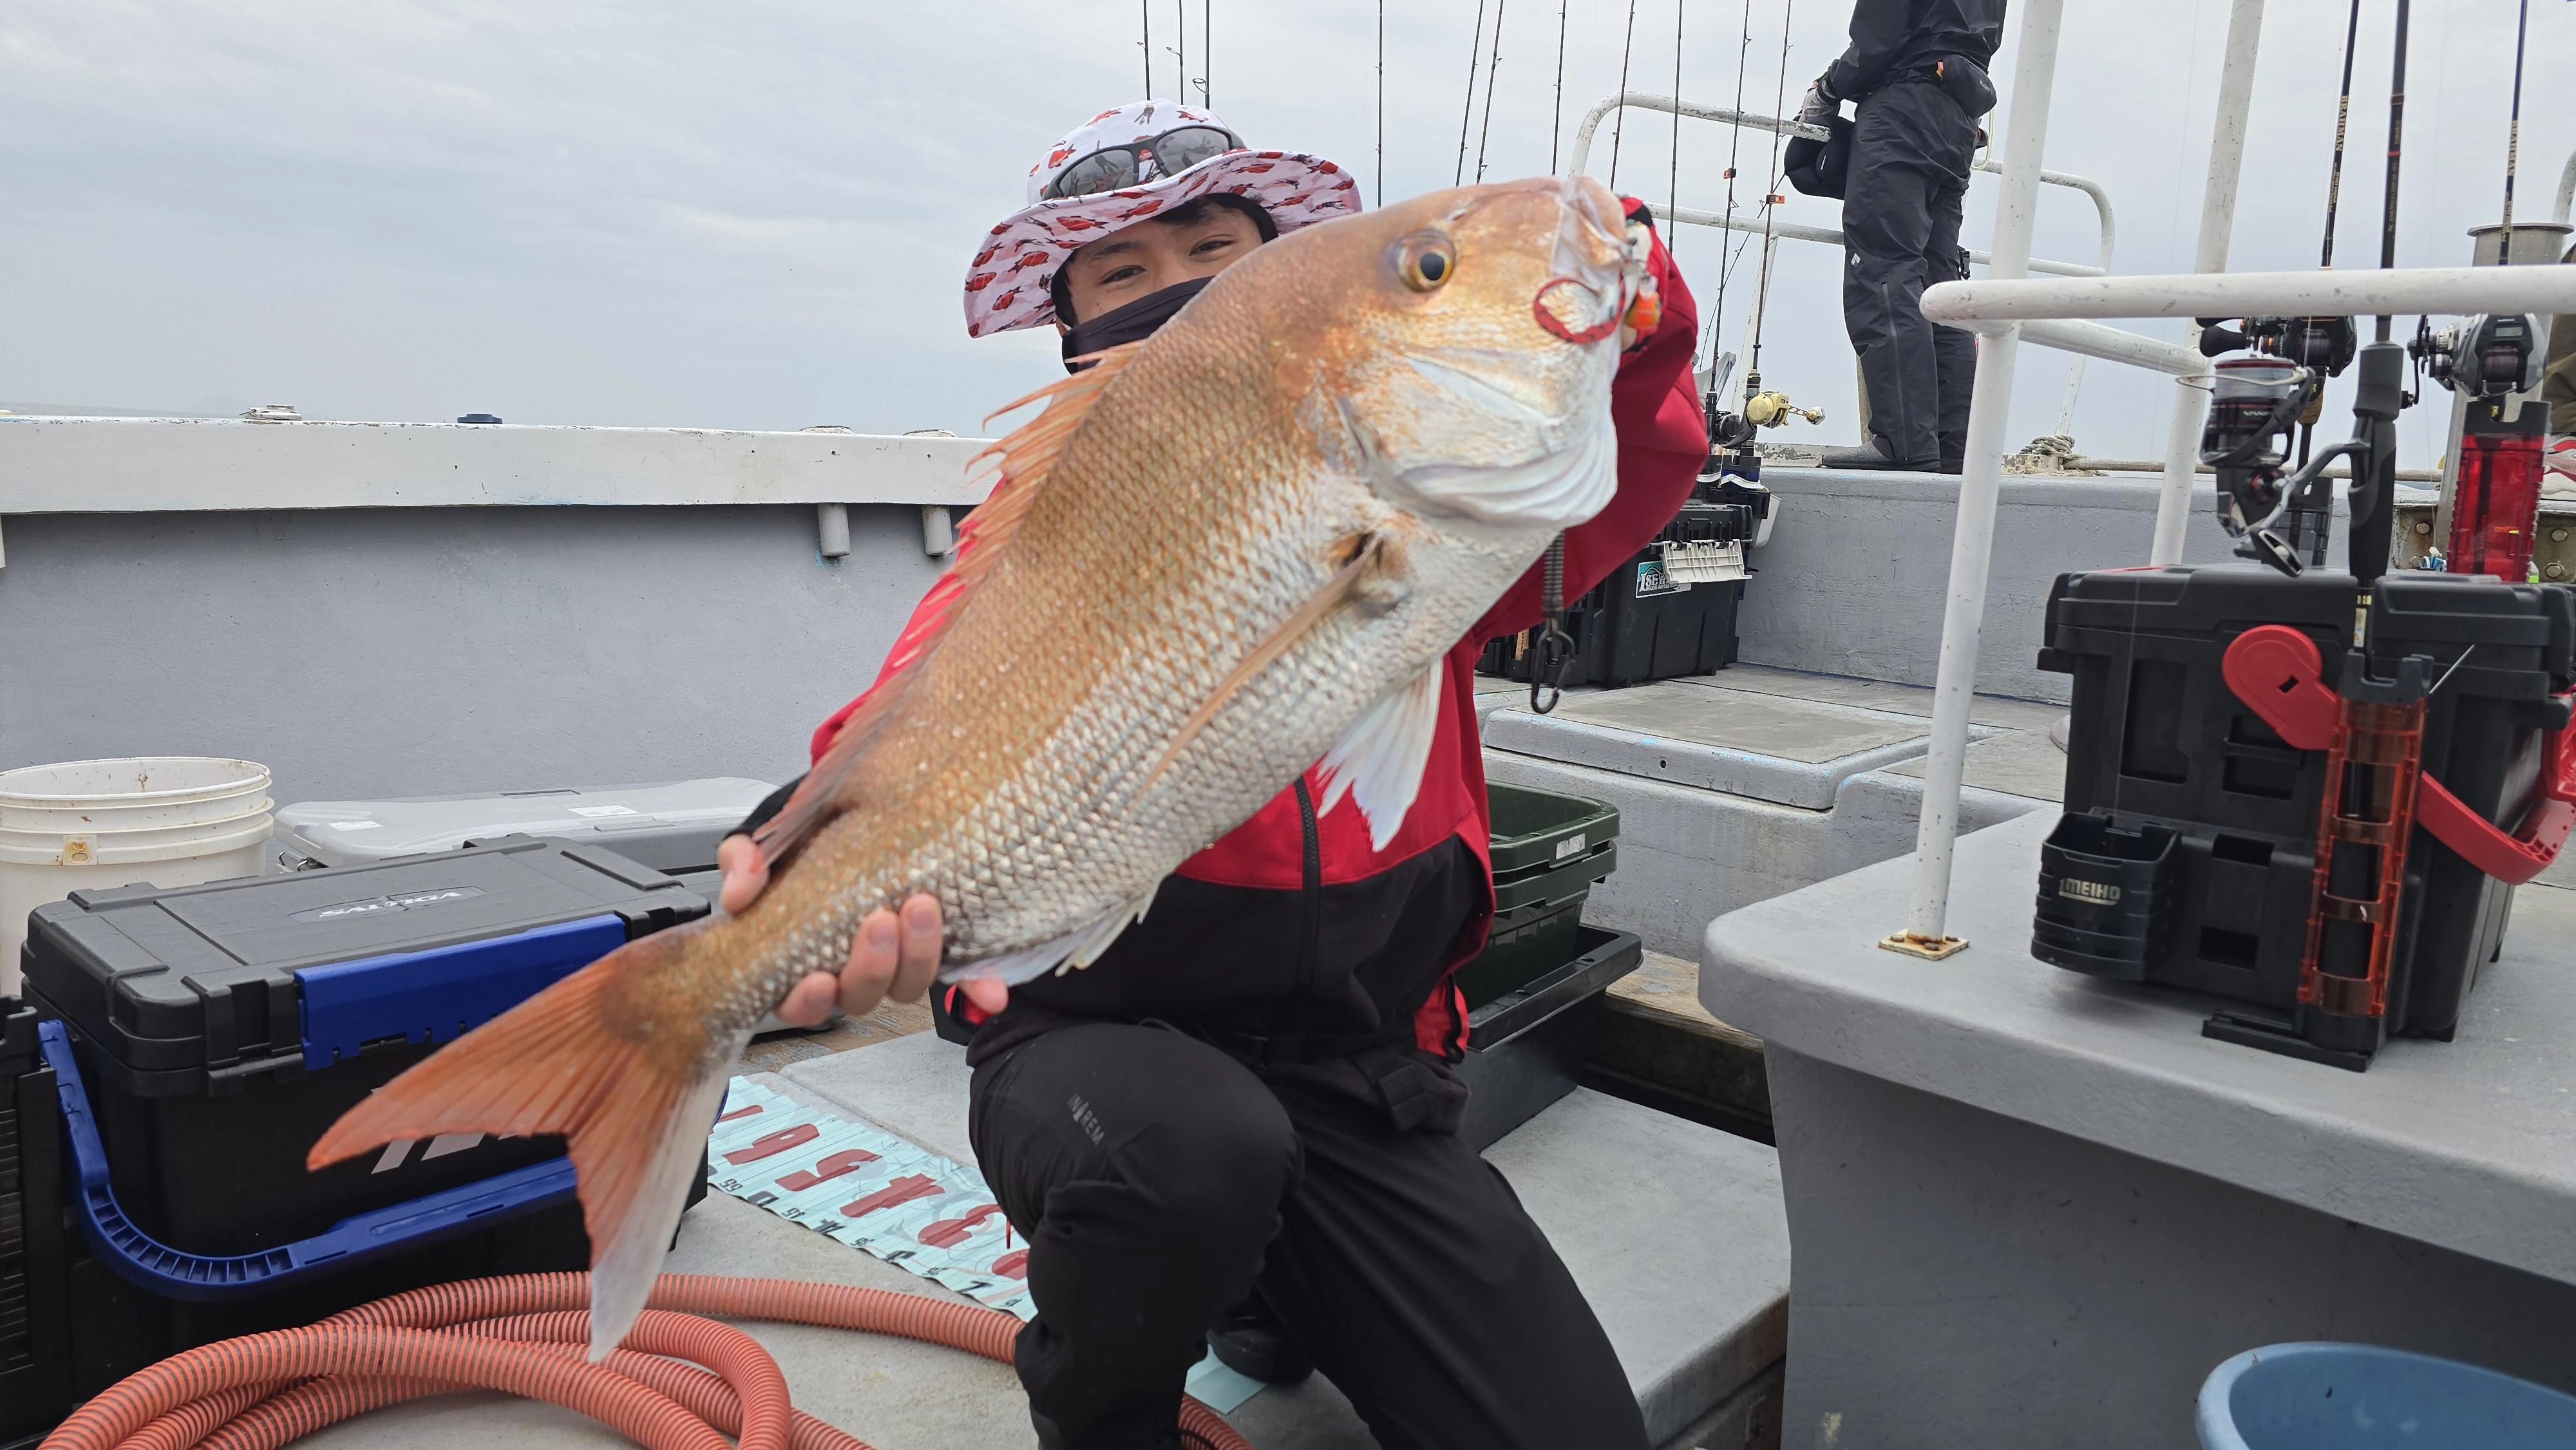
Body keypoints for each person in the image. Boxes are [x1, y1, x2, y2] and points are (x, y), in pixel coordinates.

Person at [717, 99, 1708, 1450]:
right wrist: (789, 849)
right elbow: (920, 699)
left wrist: (1640, 307)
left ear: (1295, 291)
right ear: (1070, 333)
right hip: (1093, 1046)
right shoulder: (1054, 533)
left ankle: (1271, 1290)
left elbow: (1631, 456)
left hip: (1361, 1067)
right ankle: (1107, 1415)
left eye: (1214, 248)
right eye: (1118, 272)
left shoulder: (1443, 506)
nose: (1173, 284)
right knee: (1192, 1154)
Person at [1801, 0, 2007, 474]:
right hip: (1957, 121)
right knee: (1940, 289)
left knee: (1884, 271)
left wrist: (1829, 87)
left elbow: (1880, 37)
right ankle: (1953, 449)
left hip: (1902, 113)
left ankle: (1904, 443)